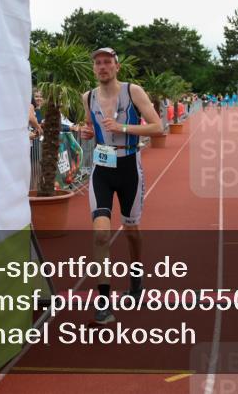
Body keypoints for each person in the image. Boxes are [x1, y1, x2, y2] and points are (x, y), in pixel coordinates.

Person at [79, 47, 162, 324]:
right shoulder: (87, 97)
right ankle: (103, 301)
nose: (102, 67)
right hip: (102, 167)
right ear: (94, 69)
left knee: (131, 230)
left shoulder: (132, 92)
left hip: (129, 168)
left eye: (107, 63)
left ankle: (136, 279)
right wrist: (87, 132)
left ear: (117, 67)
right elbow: (92, 130)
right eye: (98, 63)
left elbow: (157, 127)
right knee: (101, 235)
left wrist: (123, 128)